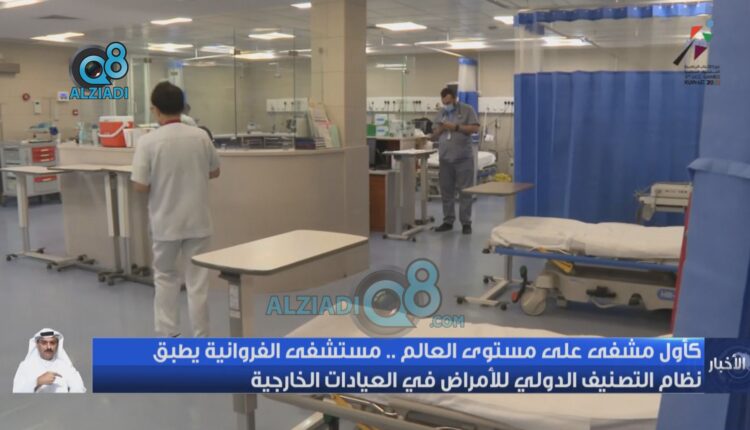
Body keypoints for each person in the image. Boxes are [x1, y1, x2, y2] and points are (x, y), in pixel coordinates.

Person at [132, 81, 221, 338]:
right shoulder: (200, 136)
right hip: (198, 221)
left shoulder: (148, 142)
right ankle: (202, 338)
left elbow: (140, 185)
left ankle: (169, 336)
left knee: (165, 278)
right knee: (198, 283)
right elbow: (214, 171)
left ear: (156, 110)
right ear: (182, 107)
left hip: (165, 223)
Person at [431, 87, 480, 234]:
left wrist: (456, 127)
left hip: (463, 158)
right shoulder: (441, 113)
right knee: (446, 192)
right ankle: (448, 221)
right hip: (445, 159)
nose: (446, 105)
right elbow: (433, 135)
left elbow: (475, 128)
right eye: (444, 103)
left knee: (465, 192)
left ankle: (466, 223)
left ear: (454, 99)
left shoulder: (467, 110)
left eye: (448, 102)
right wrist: (441, 128)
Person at [12, 329, 86, 393]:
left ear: (57, 345)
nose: (49, 347)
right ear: (37, 344)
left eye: (52, 343)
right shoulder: (25, 366)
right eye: (44, 343)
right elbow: (16, 392)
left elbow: (79, 388)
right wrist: (37, 382)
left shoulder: (66, 366)